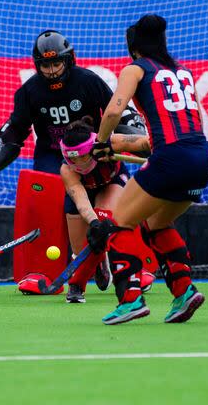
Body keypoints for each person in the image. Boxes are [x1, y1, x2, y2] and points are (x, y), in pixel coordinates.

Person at [0, 30, 151, 291]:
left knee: (116, 208)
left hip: (91, 151)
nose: (52, 70)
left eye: (56, 63)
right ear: (37, 65)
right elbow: (15, 131)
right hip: (53, 155)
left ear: (69, 60)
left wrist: (135, 132)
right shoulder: (29, 91)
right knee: (45, 199)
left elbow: (116, 109)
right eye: (45, 65)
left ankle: (133, 268)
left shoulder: (88, 81)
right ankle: (42, 271)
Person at [88, 14, 208, 325]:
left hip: (170, 158)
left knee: (120, 223)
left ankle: (130, 299)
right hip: (201, 157)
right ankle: (184, 292)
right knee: (156, 224)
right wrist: (125, 145)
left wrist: (102, 143)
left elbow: (114, 110)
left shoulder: (135, 68)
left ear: (134, 48)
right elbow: (192, 121)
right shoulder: (183, 72)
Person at [59, 116, 152, 303]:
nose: (76, 163)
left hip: (111, 183)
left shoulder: (110, 142)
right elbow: (81, 200)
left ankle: (76, 285)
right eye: (71, 158)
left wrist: (174, 153)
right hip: (84, 194)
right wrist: (92, 222)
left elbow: (146, 144)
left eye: (81, 157)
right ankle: (100, 260)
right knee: (81, 249)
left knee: (104, 224)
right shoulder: (67, 171)